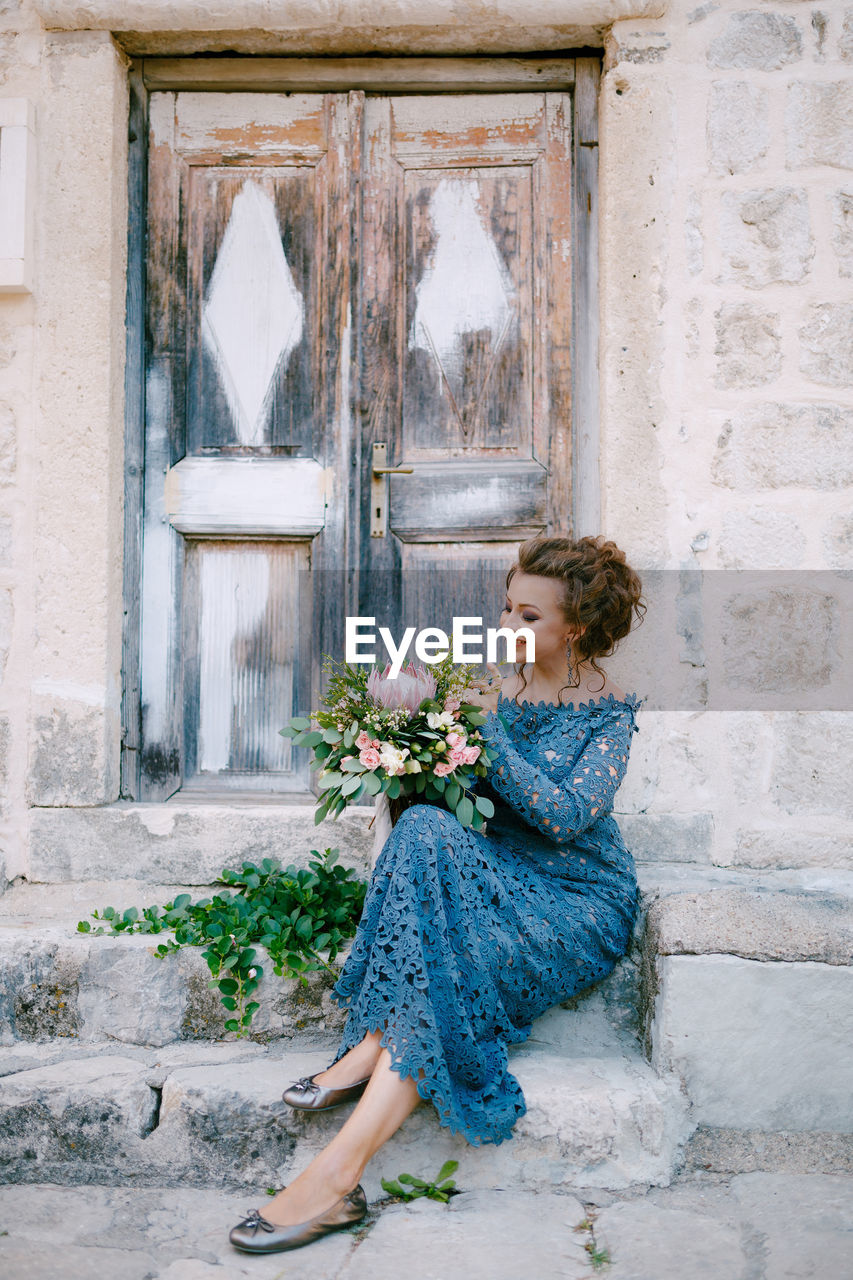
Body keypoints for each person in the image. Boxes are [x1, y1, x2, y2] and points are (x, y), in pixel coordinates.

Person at [229, 533, 646, 1254]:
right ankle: (340, 1156)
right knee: (420, 825)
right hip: (487, 883)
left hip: (573, 903)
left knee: (443, 963)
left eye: (528, 617)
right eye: (505, 609)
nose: (506, 628)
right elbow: (456, 815)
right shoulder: (487, 682)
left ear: (573, 627)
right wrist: (409, 743)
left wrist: (487, 736)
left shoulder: (606, 713)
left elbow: (562, 816)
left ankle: (342, 1150)